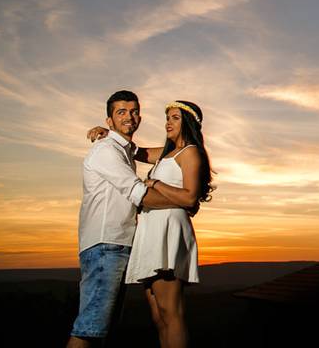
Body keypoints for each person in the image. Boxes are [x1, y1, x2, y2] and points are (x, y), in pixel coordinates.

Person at [88, 100, 215, 348]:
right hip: (150, 229)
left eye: (175, 118)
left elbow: (190, 196)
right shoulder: (166, 152)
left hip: (168, 229)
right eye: (167, 117)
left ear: (188, 122)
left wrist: (155, 184)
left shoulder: (189, 152)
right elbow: (136, 151)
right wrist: (108, 133)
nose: (168, 122)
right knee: (158, 317)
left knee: (171, 312)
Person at [67, 90, 187, 348]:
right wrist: (186, 200)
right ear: (109, 120)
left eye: (133, 111)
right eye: (121, 112)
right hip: (105, 246)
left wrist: (189, 144)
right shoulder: (106, 150)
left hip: (116, 246)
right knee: (90, 328)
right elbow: (139, 194)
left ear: (140, 117)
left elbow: (167, 151)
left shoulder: (123, 148)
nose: (129, 117)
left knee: (101, 329)